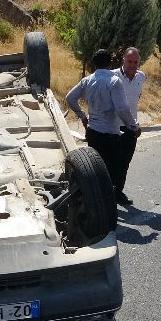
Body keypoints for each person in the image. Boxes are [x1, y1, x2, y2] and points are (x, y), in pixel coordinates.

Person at [66, 49, 141, 204]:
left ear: (94, 63)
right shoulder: (114, 81)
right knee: (116, 169)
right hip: (110, 134)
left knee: (95, 168)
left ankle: (96, 200)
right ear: (110, 63)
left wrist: (82, 116)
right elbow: (122, 109)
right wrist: (133, 126)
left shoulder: (88, 80)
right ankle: (108, 202)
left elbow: (70, 98)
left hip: (93, 131)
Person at [112, 47, 146, 205]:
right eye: (129, 61)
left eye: (136, 62)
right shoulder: (113, 76)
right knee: (112, 162)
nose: (132, 64)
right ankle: (107, 195)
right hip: (112, 126)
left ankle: (118, 192)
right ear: (123, 60)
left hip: (131, 126)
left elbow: (135, 100)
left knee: (125, 162)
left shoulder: (141, 77)